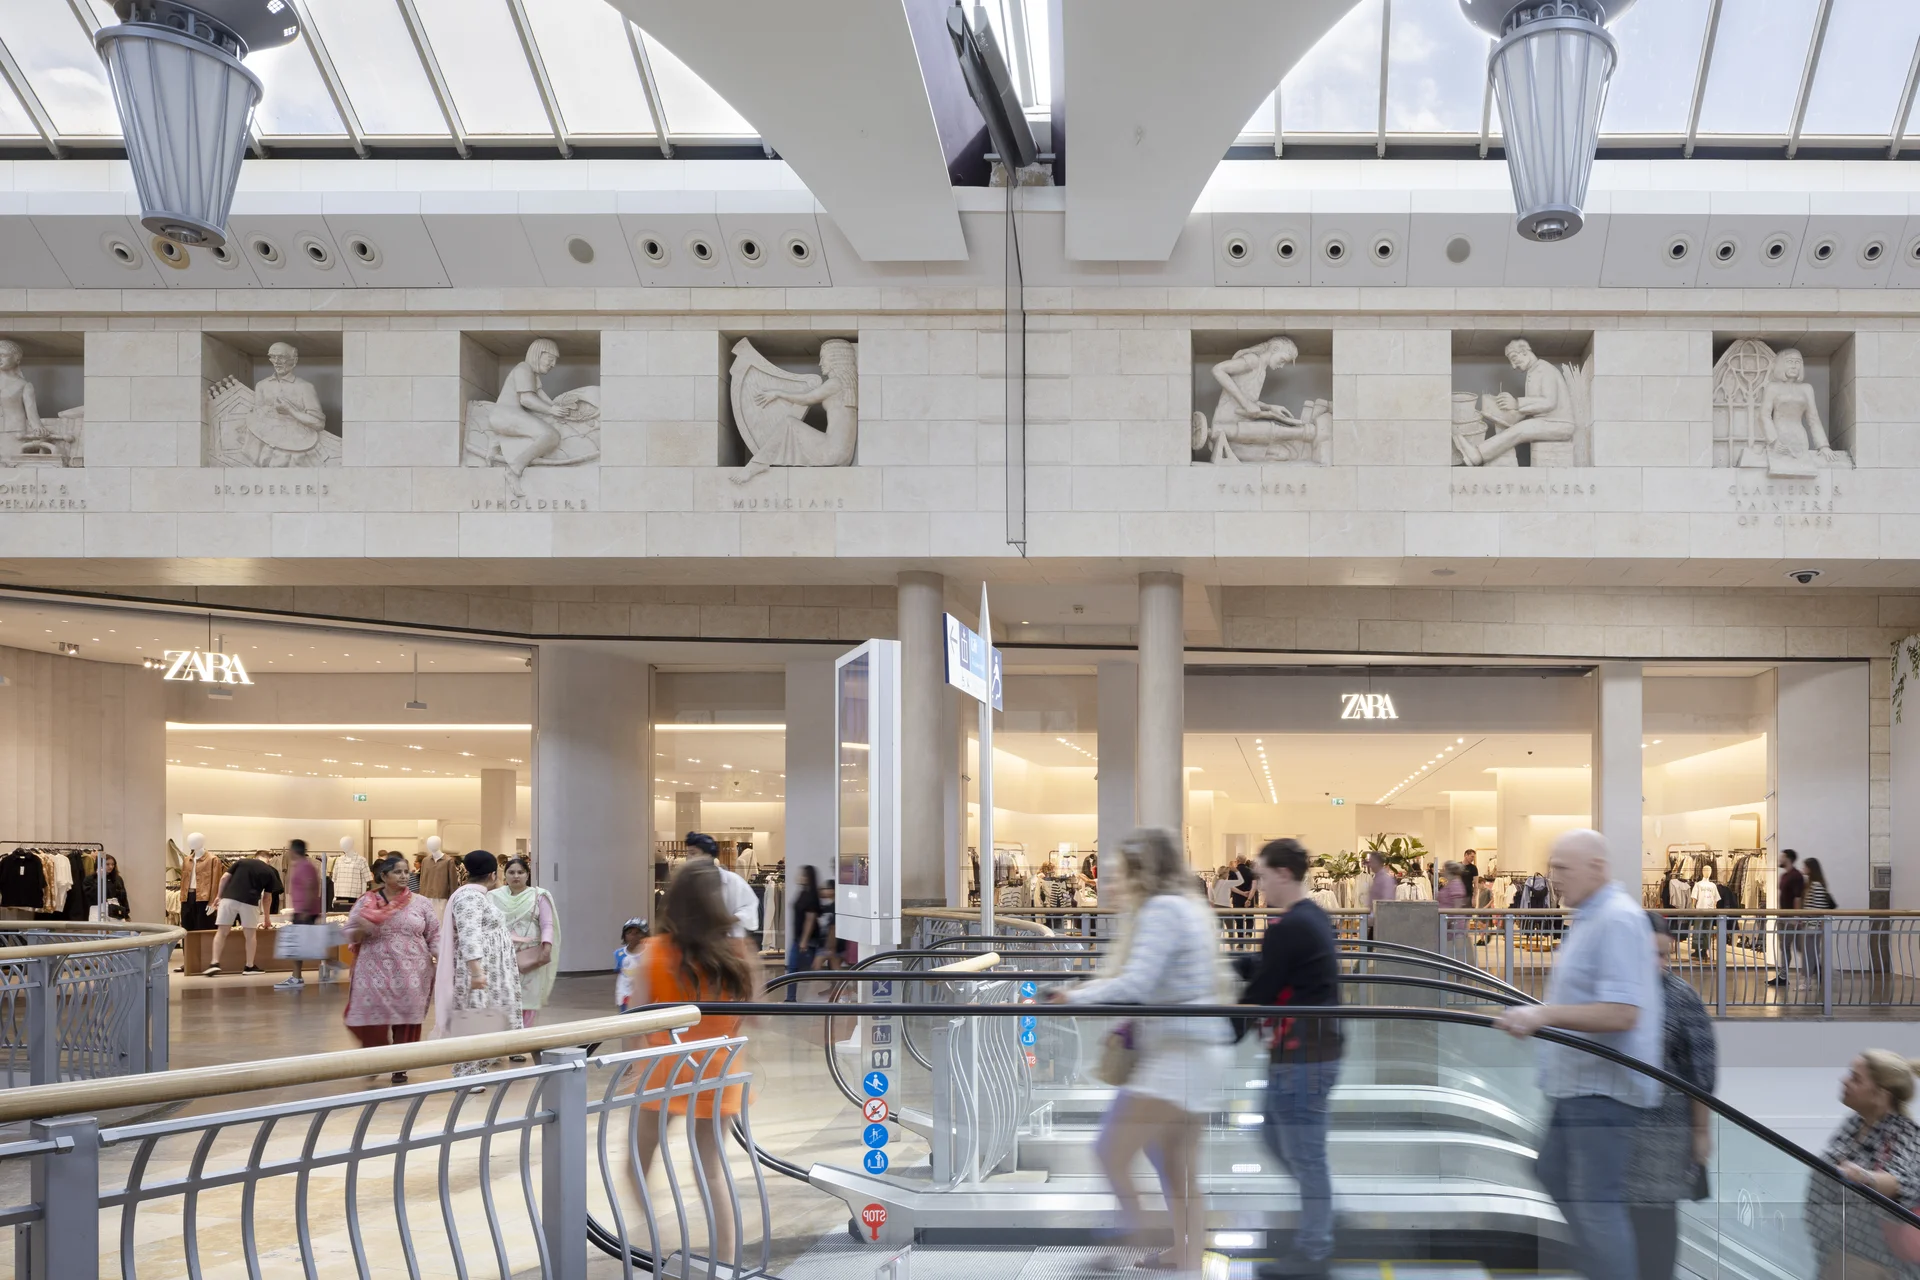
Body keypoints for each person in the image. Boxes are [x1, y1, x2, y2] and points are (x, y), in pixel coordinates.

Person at [1049, 827, 1230, 1275]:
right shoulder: (1187, 906)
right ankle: (1186, 1258)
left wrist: (1074, 996)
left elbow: (1138, 984)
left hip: (1178, 1054)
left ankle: (1133, 1235)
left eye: (1121, 872)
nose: (1113, 883)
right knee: (1178, 1166)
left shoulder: (1162, 910)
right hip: (1198, 1049)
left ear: (1142, 871)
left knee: (1112, 1150)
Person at [1494, 829, 1661, 1280]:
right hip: (1576, 1087)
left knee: (1595, 1204)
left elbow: (1622, 1013)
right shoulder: (1590, 917)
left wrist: (1542, 1017)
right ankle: (1594, 1266)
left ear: (1597, 868)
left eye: (1563, 869)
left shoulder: (1619, 921)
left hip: (1602, 1093)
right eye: (1552, 867)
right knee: (1553, 1174)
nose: (1553, 878)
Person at [620, 857, 758, 1265]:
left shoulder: (655, 951)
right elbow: (752, 1015)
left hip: (665, 1067)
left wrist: (632, 1066)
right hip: (720, 1070)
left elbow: (637, 1018)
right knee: (711, 1169)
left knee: (638, 1163)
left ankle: (659, 1250)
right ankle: (727, 1261)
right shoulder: (738, 953)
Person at [1241, 838, 1343, 1280]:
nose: (1259, 886)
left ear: (1284, 874)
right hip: (1307, 1051)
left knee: (1305, 1153)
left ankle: (1315, 1247)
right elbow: (1275, 971)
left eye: (1263, 876)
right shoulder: (1309, 917)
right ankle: (1321, 1214)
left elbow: (1261, 992)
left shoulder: (1291, 926)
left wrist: (1221, 1030)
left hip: (1304, 1056)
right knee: (1275, 1135)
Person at [1626, 913, 1717, 1280]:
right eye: (1651, 954)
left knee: (1655, 1226)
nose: (1660, 964)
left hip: (1663, 1140)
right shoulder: (1614, 996)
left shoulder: (1682, 999)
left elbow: (1703, 1073)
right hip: (1619, 1137)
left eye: (1665, 955)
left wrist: (1700, 1131)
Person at [1809, 1051, 1920, 1280]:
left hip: (1874, 1265)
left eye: (1856, 1078)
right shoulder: (1853, 1125)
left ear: (1881, 1094)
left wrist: (1863, 1177)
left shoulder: (1905, 1133)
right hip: (1836, 1254)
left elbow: (1905, 1184)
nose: (1844, 1081)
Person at [343, 853, 440, 1083]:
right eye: (398, 871)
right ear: (384, 876)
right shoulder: (366, 902)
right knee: (369, 1018)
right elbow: (350, 933)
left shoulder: (422, 902)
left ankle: (400, 1065)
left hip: (413, 970)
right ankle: (375, 1058)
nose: (404, 876)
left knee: (407, 1018)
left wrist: (444, 960)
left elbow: (434, 935)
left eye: (406, 871)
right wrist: (363, 927)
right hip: (372, 969)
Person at [432, 850, 522, 1078]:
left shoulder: (478, 896)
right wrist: (476, 972)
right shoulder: (469, 897)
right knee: (475, 1018)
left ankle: (479, 1069)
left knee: (488, 1019)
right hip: (477, 971)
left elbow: (486, 930)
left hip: (490, 970)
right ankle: (467, 1072)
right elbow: (469, 935)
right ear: (493, 874)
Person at [492, 856, 559, 1029]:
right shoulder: (493, 897)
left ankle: (521, 1043)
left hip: (530, 958)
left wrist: (547, 947)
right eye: (511, 872)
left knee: (527, 1002)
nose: (516, 876)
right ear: (504, 875)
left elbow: (547, 924)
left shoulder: (539, 896)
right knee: (503, 1000)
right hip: (502, 957)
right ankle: (503, 1042)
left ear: (527, 875)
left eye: (520, 872)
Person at [204, 851, 283, 976]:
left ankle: (214, 963)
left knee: (222, 932)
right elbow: (267, 898)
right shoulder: (270, 872)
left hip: (228, 899)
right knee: (250, 935)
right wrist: (267, 919)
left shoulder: (241, 862)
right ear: (268, 860)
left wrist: (219, 896)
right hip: (249, 902)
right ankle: (249, 966)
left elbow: (224, 878)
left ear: (256, 857)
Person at [685, 832, 759, 947]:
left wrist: (728, 920)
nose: (690, 858)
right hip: (697, 946)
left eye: (693, 853)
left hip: (729, 945)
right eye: (688, 854)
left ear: (708, 855)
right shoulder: (686, 882)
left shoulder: (733, 881)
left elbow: (750, 907)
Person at [276, 838, 324, 991]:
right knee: (303, 945)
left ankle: (297, 977)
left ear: (294, 851)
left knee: (299, 946)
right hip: (303, 910)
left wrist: (304, 909)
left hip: (305, 911)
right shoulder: (301, 865)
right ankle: (297, 976)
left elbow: (310, 888)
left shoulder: (305, 866)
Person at [786, 865, 822, 1001]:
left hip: (806, 940)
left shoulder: (810, 896)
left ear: (808, 878)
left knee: (798, 969)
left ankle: (795, 999)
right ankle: (791, 998)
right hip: (799, 938)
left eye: (802, 874)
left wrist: (804, 940)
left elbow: (810, 919)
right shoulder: (802, 893)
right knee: (794, 968)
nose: (799, 876)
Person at [1775, 848, 1807, 987]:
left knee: (1799, 947)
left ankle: (1818, 971)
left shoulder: (1796, 876)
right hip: (1782, 916)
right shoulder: (1784, 876)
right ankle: (1783, 976)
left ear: (1787, 858)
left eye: (1781, 857)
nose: (1779, 859)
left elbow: (1798, 898)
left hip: (1790, 918)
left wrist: (1796, 916)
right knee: (1785, 947)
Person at [1803, 857, 1836, 985]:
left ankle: (1808, 981)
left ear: (1810, 869)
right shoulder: (1815, 884)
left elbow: (1816, 907)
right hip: (1812, 924)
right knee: (1812, 953)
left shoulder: (1815, 885)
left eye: (1805, 867)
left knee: (1810, 954)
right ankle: (1818, 977)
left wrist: (1806, 919)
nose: (1803, 869)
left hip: (1812, 925)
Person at [81, 854, 129, 922]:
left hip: (115, 907)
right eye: (107, 864)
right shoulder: (90, 879)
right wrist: (100, 879)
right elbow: (90, 896)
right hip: (97, 907)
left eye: (113, 864)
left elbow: (123, 897)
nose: (111, 866)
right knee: (100, 930)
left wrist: (126, 913)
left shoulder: (117, 879)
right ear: (100, 864)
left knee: (120, 931)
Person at [614, 918, 647, 1011]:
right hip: (626, 995)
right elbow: (621, 976)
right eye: (629, 932)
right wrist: (619, 995)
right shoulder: (619, 954)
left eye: (637, 933)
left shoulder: (650, 952)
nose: (633, 936)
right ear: (624, 936)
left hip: (644, 996)